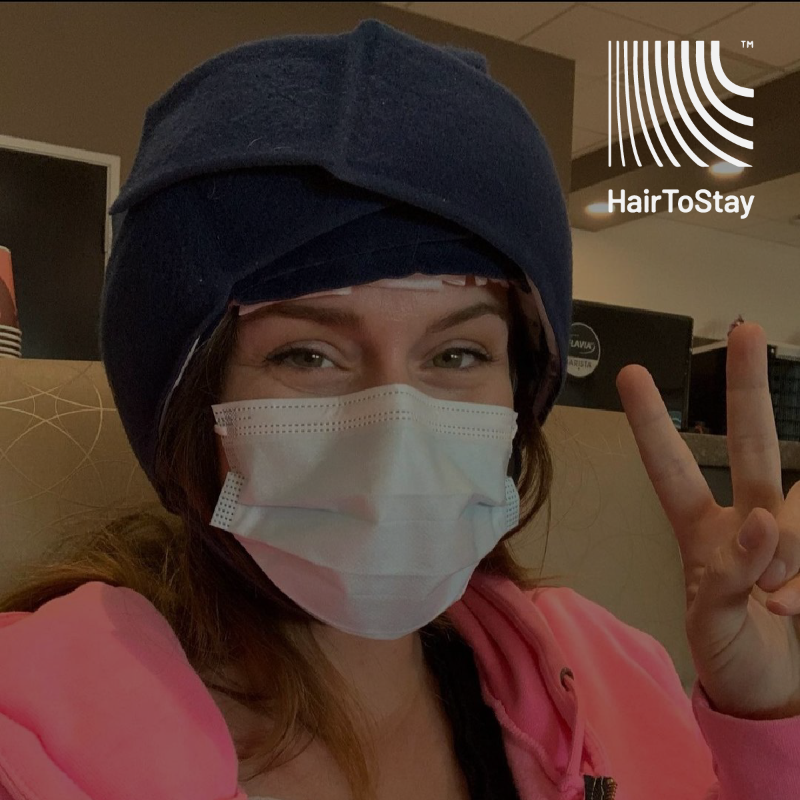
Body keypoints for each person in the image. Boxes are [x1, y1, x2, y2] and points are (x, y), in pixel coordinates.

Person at [1, 19, 799, 800]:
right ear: (188, 401)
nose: (394, 436)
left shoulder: (610, 666)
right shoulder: (34, 731)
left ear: (519, 396)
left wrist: (768, 718)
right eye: (306, 354)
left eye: (456, 355)